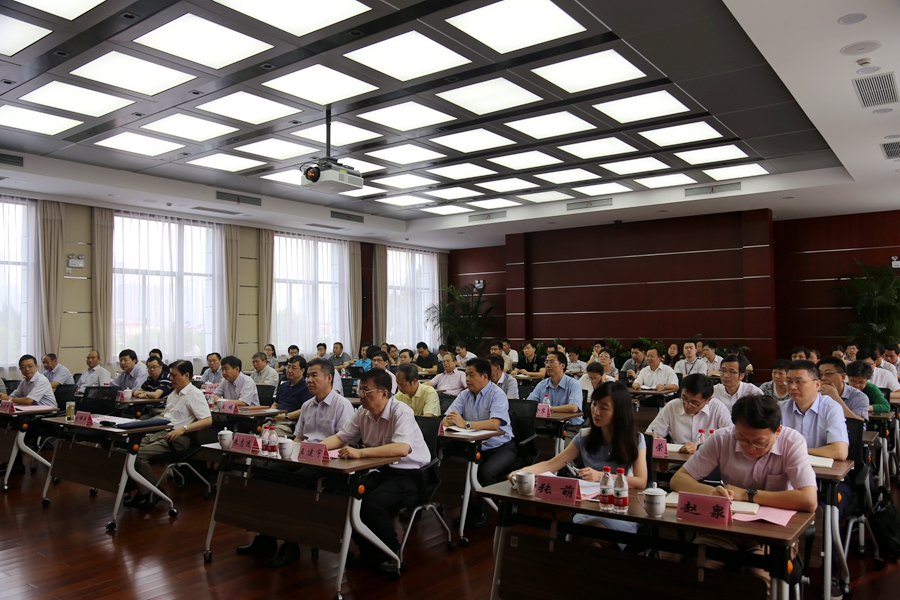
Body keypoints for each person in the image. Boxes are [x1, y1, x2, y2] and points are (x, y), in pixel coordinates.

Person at [670, 395, 817, 593]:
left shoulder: (792, 442)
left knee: (756, 577)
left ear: (778, 431)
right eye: (742, 439)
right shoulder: (723, 438)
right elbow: (678, 479)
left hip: (771, 532)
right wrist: (712, 492)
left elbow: (809, 500)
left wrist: (748, 495)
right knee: (695, 567)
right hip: (726, 527)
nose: (750, 447)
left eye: (759, 442)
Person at [238, 357, 356, 567]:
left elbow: (344, 441)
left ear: (329, 378)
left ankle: (291, 544)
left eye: (314, 375)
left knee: (294, 484)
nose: (309, 380)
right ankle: (265, 537)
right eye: (308, 376)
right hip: (303, 456)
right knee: (263, 475)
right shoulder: (307, 405)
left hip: (328, 463)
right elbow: (299, 437)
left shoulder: (342, 405)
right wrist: (289, 454)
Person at [322, 369, 430, 574]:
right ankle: (370, 553)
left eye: (365, 391)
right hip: (382, 470)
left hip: (411, 474)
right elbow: (341, 437)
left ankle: (392, 554)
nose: (361, 395)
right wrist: (314, 449)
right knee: (347, 497)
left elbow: (402, 449)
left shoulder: (401, 411)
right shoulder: (362, 412)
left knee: (371, 504)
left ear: (383, 393)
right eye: (359, 390)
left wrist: (361, 453)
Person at [512, 381, 646, 540]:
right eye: (594, 405)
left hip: (619, 508)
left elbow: (641, 482)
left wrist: (601, 476)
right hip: (589, 507)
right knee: (581, 537)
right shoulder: (585, 436)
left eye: (604, 408)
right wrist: (520, 472)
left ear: (619, 411)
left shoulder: (635, 439)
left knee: (584, 536)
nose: (596, 412)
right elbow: (552, 464)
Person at [123, 359, 211, 510]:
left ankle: (152, 492)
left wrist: (183, 429)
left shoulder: (194, 394)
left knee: (138, 455)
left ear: (186, 375)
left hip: (178, 438)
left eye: (174, 375)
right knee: (127, 450)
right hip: (163, 433)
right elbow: (167, 418)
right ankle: (142, 490)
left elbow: (207, 420)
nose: (170, 378)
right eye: (170, 375)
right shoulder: (173, 394)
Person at [443, 358, 516, 529]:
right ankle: (469, 511)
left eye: (471, 375)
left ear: (484, 377)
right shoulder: (464, 394)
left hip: (501, 448)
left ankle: (486, 512)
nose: (467, 379)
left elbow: (494, 424)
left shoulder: (497, 394)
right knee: (464, 470)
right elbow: (447, 418)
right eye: (466, 375)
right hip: (476, 447)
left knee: (485, 472)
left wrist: (466, 424)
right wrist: (450, 421)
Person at [780, 360, 848, 460]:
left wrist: (797, 451)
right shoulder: (780, 408)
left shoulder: (831, 408)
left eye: (799, 382)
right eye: (789, 382)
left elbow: (840, 451)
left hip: (822, 469)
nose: (792, 387)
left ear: (817, 385)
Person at [646, 374, 731, 453]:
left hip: (708, 459)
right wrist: (653, 437)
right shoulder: (673, 406)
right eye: (684, 399)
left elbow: (731, 439)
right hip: (678, 458)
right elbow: (650, 433)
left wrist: (699, 447)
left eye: (694, 403)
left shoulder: (718, 408)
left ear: (708, 400)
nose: (687, 405)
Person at [528, 350, 583, 428]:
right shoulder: (542, 384)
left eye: (552, 362)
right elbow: (529, 404)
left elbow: (573, 407)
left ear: (562, 365)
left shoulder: (574, 384)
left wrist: (548, 408)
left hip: (570, 427)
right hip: (547, 426)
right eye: (546, 362)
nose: (548, 365)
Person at [270, 355, 314, 437]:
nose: (289, 370)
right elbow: (275, 403)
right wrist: (272, 413)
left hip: (291, 422)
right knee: (262, 428)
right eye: (288, 367)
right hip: (276, 419)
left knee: (272, 433)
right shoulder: (284, 385)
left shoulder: (307, 387)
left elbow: (306, 409)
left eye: (294, 368)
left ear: (302, 370)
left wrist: (285, 416)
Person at [816, 356, 868, 421]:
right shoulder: (814, 393)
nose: (823, 378)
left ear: (843, 377)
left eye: (828, 374)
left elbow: (857, 424)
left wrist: (835, 397)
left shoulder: (859, 397)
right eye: (820, 374)